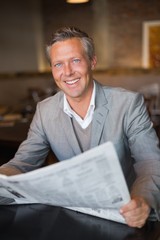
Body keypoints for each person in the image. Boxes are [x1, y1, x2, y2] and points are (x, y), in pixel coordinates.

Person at [0, 26, 160, 228]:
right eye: (58, 64)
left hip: (125, 216)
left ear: (92, 61)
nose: (67, 72)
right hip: (75, 214)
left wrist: (142, 200)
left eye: (75, 60)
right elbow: (21, 163)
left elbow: (150, 161)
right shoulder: (45, 110)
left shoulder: (127, 103)